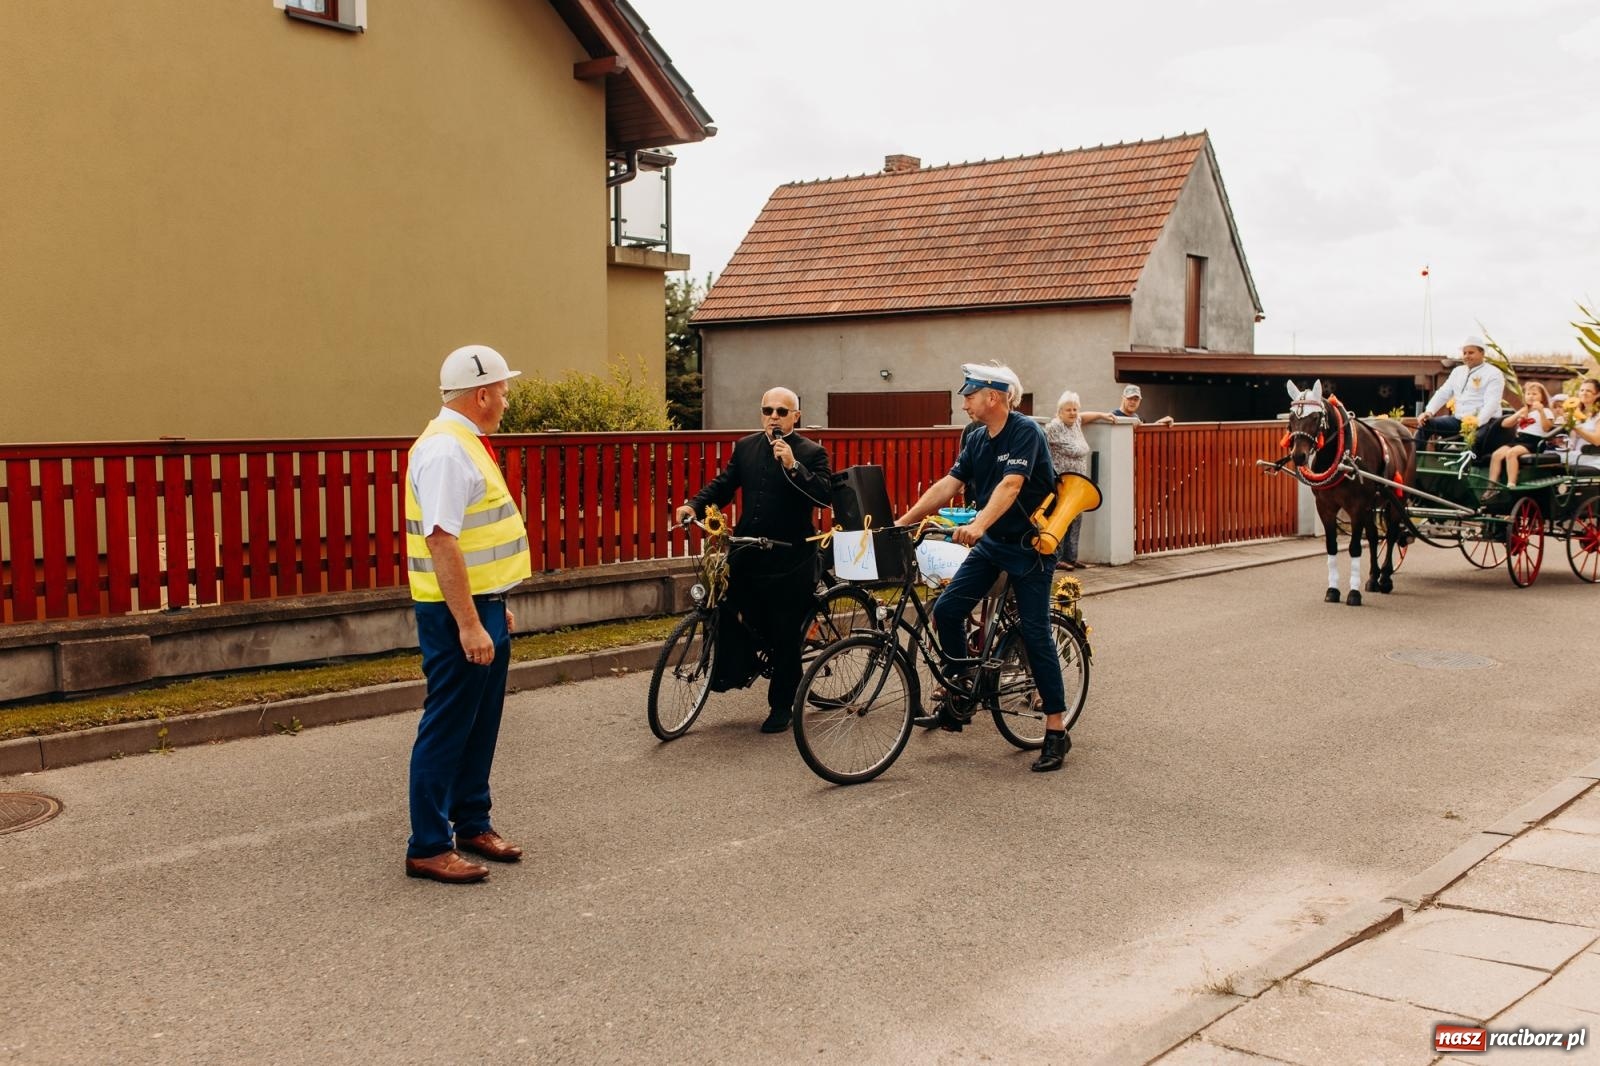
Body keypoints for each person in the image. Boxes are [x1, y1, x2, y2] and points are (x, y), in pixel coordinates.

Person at [895, 362, 1071, 773]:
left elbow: (1011, 486)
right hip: (993, 545)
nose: (964, 402)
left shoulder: (1025, 431)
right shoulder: (976, 438)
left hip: (1030, 550)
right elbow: (949, 484)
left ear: (993, 396)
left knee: (1034, 631)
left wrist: (977, 525)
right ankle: (960, 694)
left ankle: (1057, 730)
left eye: (969, 395)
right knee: (947, 611)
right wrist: (902, 521)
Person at [402, 344, 533, 884]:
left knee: (480, 724)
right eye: (503, 390)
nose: (505, 399)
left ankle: (472, 822)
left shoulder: (465, 443)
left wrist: (494, 604)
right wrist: (469, 622)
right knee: (449, 724)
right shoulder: (446, 452)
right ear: (481, 394)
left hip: (482, 606)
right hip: (457, 615)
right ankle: (429, 845)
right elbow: (441, 542)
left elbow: (478, 541)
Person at [674, 388, 831, 733]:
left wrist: (793, 465)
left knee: (785, 629)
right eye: (767, 410)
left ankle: (781, 706)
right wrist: (693, 505)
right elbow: (724, 485)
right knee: (725, 604)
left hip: (791, 554)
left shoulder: (811, 452)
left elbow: (823, 496)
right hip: (748, 549)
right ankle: (734, 669)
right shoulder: (746, 446)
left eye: (781, 411)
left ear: (795, 417)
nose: (773, 416)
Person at [1044, 390, 1109, 570]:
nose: (1073, 413)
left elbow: (1084, 417)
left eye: (1075, 409)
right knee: (1061, 517)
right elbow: (1077, 449)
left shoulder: (1076, 422)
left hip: (1078, 483)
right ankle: (1056, 558)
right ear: (1059, 412)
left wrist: (1103, 414)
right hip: (1063, 482)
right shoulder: (1054, 427)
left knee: (1076, 518)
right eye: (1068, 410)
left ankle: (1071, 557)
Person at [1414, 337, 1508, 459]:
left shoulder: (1494, 373)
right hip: (1459, 421)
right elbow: (1443, 392)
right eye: (1464, 353)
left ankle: (1469, 472)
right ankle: (1414, 464)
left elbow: (1492, 403)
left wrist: (1476, 422)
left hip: (1485, 423)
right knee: (1426, 425)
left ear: (1482, 353)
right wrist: (1429, 411)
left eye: (1471, 352)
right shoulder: (1457, 371)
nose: (1466, 356)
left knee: (1475, 440)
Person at [1486, 381, 1556, 489]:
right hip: (1519, 439)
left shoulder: (1546, 411)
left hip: (1534, 441)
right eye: (1528, 394)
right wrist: (1519, 414)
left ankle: (1511, 484)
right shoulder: (1524, 411)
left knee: (1511, 453)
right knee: (1496, 455)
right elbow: (1505, 424)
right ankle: (1491, 486)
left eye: (1534, 394)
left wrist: (1541, 411)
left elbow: (1547, 428)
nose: (1531, 396)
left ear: (1542, 398)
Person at [1558, 378, 1600, 473]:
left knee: (1549, 458)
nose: (1584, 393)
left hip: (1591, 457)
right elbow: (1571, 440)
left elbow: (1597, 441)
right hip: (1574, 453)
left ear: (1597, 394)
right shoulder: (1575, 413)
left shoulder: (1598, 415)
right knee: (1546, 453)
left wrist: (1575, 427)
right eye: (1582, 390)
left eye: (1588, 390)